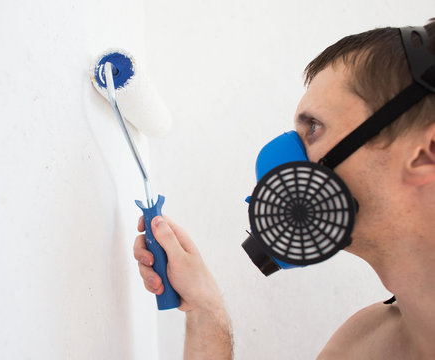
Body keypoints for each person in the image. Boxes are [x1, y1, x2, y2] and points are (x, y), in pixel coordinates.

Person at [134, 19, 435, 359]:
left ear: (426, 152)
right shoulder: (365, 341)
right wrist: (205, 310)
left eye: (315, 128)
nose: (287, 162)